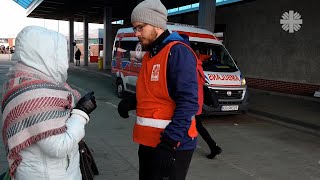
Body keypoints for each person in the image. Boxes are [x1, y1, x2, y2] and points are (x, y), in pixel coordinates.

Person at [1, 26, 97, 179]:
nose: (64, 59)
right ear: (44, 55)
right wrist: (81, 113)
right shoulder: (32, 94)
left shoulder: (34, 83)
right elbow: (58, 146)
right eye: (59, 54)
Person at [117, 0, 199, 179]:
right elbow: (153, 92)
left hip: (172, 144)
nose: (137, 34)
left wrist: (169, 143)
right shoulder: (151, 54)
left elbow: (188, 101)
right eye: (134, 29)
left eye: (140, 27)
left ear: (156, 24)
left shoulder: (178, 52)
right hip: (149, 142)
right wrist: (131, 102)